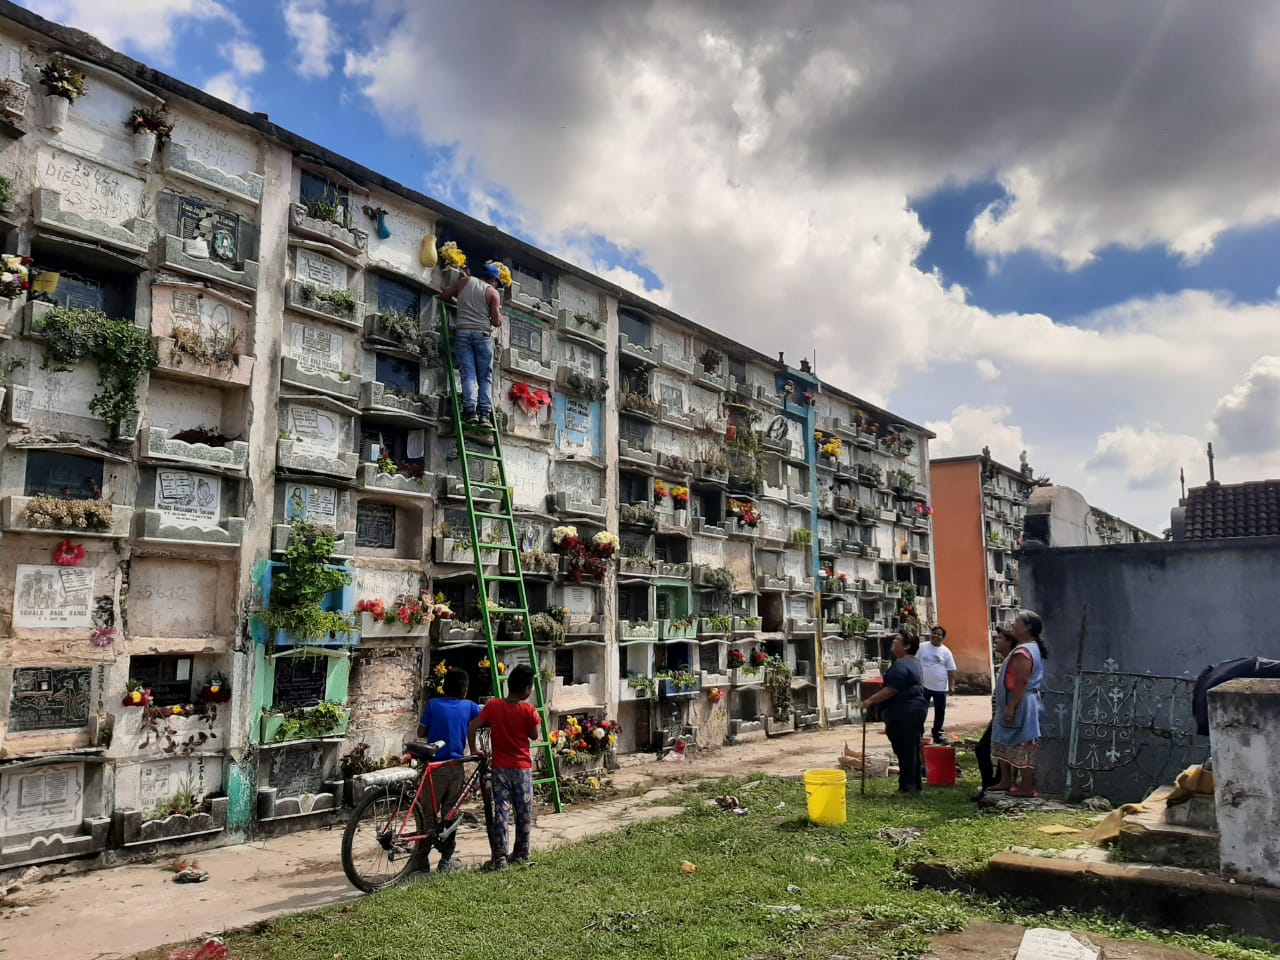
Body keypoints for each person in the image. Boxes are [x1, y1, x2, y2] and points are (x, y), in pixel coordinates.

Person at [469, 663, 542, 870]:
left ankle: (500, 857)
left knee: (502, 811)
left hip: (500, 767)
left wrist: (474, 750)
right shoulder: (528, 710)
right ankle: (521, 853)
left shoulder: (493, 706)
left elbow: (473, 726)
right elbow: (534, 735)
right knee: (524, 812)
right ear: (527, 690)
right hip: (522, 768)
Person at [416, 667, 480, 871]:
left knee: (427, 813)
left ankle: (421, 859)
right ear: (465, 690)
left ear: (443, 687)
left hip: (434, 767)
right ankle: (446, 860)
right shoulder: (469, 706)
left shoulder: (434, 704)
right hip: (456, 766)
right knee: (450, 812)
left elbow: (421, 731)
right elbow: (485, 718)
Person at [441, 260, 509, 424]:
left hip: (462, 333)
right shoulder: (493, 293)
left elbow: (445, 296)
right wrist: (500, 318)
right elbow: (494, 321)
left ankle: (470, 411)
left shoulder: (465, 281)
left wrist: (460, 304)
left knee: (468, 373)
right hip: (483, 335)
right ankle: (484, 414)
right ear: (493, 280)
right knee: (485, 376)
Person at [862, 628, 929, 794]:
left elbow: (891, 690)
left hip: (904, 711)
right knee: (912, 747)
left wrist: (870, 701)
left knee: (905, 749)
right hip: (915, 709)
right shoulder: (913, 662)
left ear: (906, 646)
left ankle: (907, 787)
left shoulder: (901, 665)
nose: (893, 642)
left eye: (896, 640)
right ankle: (914, 785)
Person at [991, 610, 1047, 797]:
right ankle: (1007, 781)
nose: (1013, 625)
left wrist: (1012, 706)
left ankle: (1027, 786)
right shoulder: (1025, 647)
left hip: (1022, 702)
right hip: (1019, 700)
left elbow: (1022, 680)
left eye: (1016, 622)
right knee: (1006, 740)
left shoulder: (1025, 651)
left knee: (1023, 741)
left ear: (1027, 627)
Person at [973, 628, 1015, 800]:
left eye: (1000, 638)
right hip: (999, 715)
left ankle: (990, 785)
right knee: (999, 751)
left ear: (1009, 642)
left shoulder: (1013, 661)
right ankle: (995, 783)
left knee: (983, 748)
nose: (996, 641)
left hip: (1004, 715)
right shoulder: (1006, 661)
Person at [919, 624, 956, 744]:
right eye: (934, 633)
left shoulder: (946, 652)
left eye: (939, 634)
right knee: (921, 709)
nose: (936, 636)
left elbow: (951, 670)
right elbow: (915, 662)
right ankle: (919, 732)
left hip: (940, 687)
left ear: (943, 637)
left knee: (940, 711)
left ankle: (937, 733)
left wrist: (951, 685)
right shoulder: (922, 647)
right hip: (923, 686)